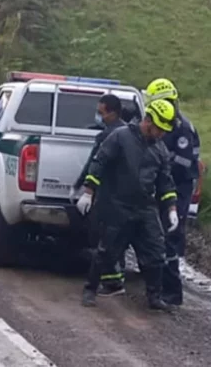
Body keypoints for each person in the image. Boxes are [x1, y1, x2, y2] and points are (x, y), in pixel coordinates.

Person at [78, 99, 179, 311]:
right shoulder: (121, 137)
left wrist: (171, 209)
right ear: (148, 121)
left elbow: (165, 182)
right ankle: (90, 290)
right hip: (118, 205)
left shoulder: (159, 150)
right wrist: (88, 191)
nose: (162, 134)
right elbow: (100, 162)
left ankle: (154, 297)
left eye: (164, 131)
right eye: (159, 129)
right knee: (106, 251)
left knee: (155, 252)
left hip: (145, 208)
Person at [144, 78, 201, 306]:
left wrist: (159, 161)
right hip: (165, 186)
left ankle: (172, 291)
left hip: (179, 187)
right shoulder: (167, 124)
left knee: (170, 236)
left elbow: (183, 163)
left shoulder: (182, 129)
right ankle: (158, 285)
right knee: (158, 235)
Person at [72, 94, 127, 294]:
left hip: (106, 196)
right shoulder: (130, 134)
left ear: (112, 113)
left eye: (101, 113)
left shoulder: (108, 136)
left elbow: (94, 164)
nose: (99, 117)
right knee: (117, 239)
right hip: (125, 197)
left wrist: (80, 187)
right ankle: (115, 279)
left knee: (102, 238)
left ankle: (111, 283)